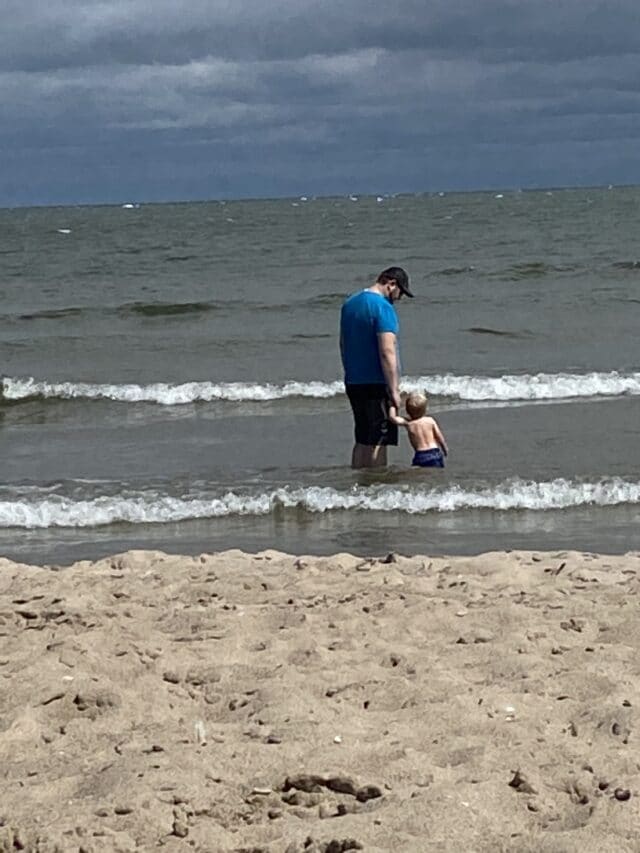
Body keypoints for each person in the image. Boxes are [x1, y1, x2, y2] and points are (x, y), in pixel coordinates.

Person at [340, 266, 413, 468]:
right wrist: (394, 390)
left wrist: (348, 370)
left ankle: (358, 480)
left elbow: (343, 343)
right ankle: (377, 483)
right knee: (379, 441)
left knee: (362, 438)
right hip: (376, 381)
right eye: (400, 293)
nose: (399, 298)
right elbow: (387, 351)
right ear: (391, 284)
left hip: (354, 380)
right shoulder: (383, 307)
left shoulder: (350, 304)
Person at [389, 392, 448, 468]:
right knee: (437, 470)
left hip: (421, 454)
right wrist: (444, 448)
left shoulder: (409, 423)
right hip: (434, 452)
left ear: (407, 411)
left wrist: (392, 405)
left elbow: (393, 418)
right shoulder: (430, 420)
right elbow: (439, 437)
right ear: (425, 410)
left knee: (419, 471)